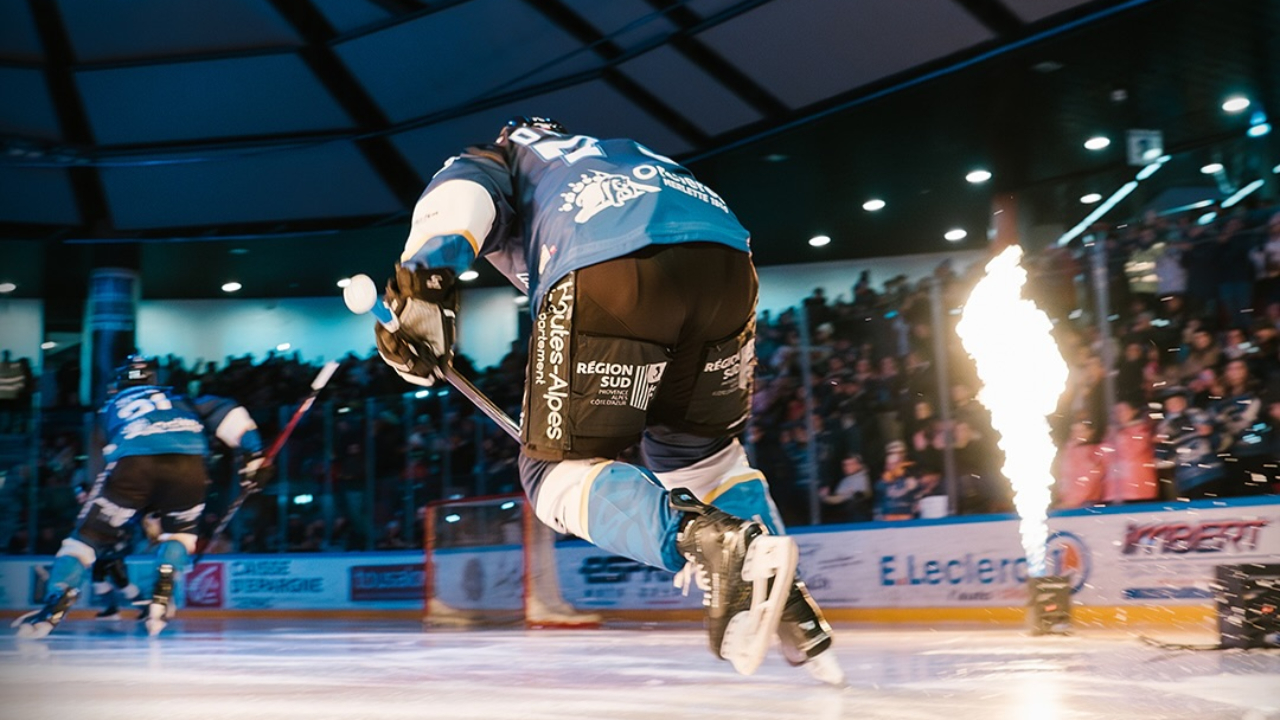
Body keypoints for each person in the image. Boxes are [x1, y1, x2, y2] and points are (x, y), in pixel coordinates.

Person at [371, 117, 839, 682]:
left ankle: (706, 541)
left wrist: (424, 286)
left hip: (608, 259)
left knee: (551, 474)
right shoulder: (613, 150)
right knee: (702, 455)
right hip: (726, 261)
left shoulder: (507, 156)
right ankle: (789, 605)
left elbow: (460, 199)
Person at [13, 355, 268, 638]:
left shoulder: (109, 408)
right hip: (190, 463)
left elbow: (97, 468)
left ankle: (55, 604)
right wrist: (253, 456)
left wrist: (97, 506)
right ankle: (161, 595)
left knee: (83, 542)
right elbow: (228, 411)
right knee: (180, 536)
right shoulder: (177, 397)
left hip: (134, 463)